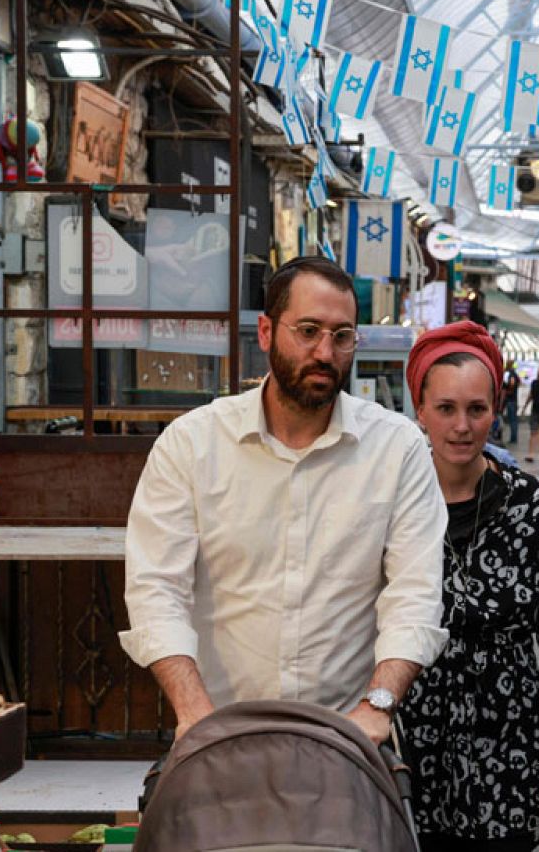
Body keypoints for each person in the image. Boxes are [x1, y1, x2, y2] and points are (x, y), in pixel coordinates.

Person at [121, 256, 448, 744]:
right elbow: (157, 589)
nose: (325, 352)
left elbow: (414, 596)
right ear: (266, 331)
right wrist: (194, 711)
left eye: (342, 336)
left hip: (346, 736)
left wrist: (377, 706)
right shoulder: (192, 444)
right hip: (220, 730)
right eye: (308, 331)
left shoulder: (397, 449)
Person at [399, 322, 539, 851]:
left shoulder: (536, 507)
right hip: (413, 747)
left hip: (510, 751)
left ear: (496, 410)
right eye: (446, 408)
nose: (462, 426)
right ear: (420, 410)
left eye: (476, 409)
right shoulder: (392, 504)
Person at [501, 369, 522, 446]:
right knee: (513, 420)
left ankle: (513, 438)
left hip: (511, 400)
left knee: (512, 420)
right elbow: (519, 383)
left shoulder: (511, 374)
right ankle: (514, 437)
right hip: (514, 400)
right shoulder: (515, 374)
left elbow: (512, 383)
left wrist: (509, 390)